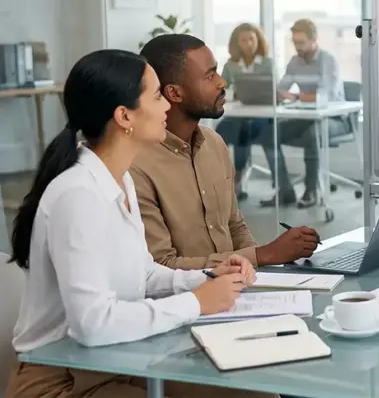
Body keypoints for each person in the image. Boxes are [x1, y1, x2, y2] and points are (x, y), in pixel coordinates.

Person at [5, 49, 272, 398]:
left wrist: (210, 278)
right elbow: (93, 325)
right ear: (124, 116)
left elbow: (143, 275)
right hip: (63, 380)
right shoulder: (78, 195)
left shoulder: (119, 181)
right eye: (158, 95)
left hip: (114, 360)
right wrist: (197, 302)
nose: (166, 107)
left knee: (252, 392)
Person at [131, 34, 321, 269]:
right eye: (210, 76)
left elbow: (235, 226)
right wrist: (264, 255)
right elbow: (161, 266)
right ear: (175, 93)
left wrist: (259, 270)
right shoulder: (137, 166)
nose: (223, 83)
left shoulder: (213, 143)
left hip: (235, 292)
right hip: (187, 301)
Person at [259, 18, 345, 208]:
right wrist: (273, 92)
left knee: (311, 133)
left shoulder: (328, 60)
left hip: (336, 119)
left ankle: (311, 190)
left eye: (301, 43)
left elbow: (325, 96)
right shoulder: (294, 61)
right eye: (295, 43)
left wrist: (296, 96)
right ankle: (285, 189)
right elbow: (282, 89)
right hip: (306, 117)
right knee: (267, 134)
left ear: (313, 39)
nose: (298, 47)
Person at [214, 22, 274, 201]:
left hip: (263, 116)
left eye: (251, 39)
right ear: (236, 43)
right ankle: (221, 180)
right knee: (218, 133)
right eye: (243, 40)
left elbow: (271, 91)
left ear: (258, 40)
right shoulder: (230, 65)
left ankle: (238, 177)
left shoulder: (267, 64)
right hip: (238, 115)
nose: (248, 43)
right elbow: (221, 89)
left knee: (245, 129)